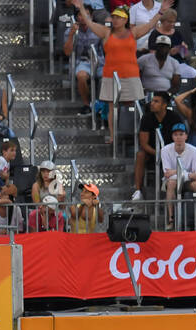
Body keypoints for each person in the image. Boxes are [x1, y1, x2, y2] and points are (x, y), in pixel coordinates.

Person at [74, 0, 164, 147]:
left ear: (125, 19)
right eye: (114, 17)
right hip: (111, 75)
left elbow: (149, 25)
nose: (115, 19)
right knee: (111, 107)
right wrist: (81, 8)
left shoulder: (133, 32)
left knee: (136, 106)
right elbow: (90, 23)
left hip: (131, 75)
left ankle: (141, 134)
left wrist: (160, 12)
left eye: (118, 17)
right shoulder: (106, 32)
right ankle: (112, 135)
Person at [134, 90, 182, 199]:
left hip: (172, 152)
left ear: (164, 105)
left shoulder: (175, 118)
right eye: (152, 101)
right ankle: (137, 191)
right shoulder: (146, 118)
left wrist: (167, 153)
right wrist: (158, 153)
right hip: (152, 152)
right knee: (140, 155)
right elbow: (143, 143)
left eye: (156, 101)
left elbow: (180, 138)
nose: (152, 103)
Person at [160, 122, 196, 227]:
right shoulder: (165, 150)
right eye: (176, 134)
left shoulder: (194, 150)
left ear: (186, 136)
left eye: (181, 134)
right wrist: (186, 173)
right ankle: (171, 219)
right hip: (173, 181)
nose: (178, 137)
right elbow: (167, 174)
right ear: (172, 137)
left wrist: (176, 171)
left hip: (187, 181)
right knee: (171, 183)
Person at [65, 11, 104, 115]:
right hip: (82, 61)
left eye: (86, 15)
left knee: (107, 76)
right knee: (81, 75)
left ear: (91, 16)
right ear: (77, 17)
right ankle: (87, 105)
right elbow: (67, 52)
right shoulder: (70, 30)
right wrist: (71, 35)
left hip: (99, 61)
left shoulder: (99, 29)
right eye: (80, 15)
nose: (83, 17)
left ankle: (102, 106)